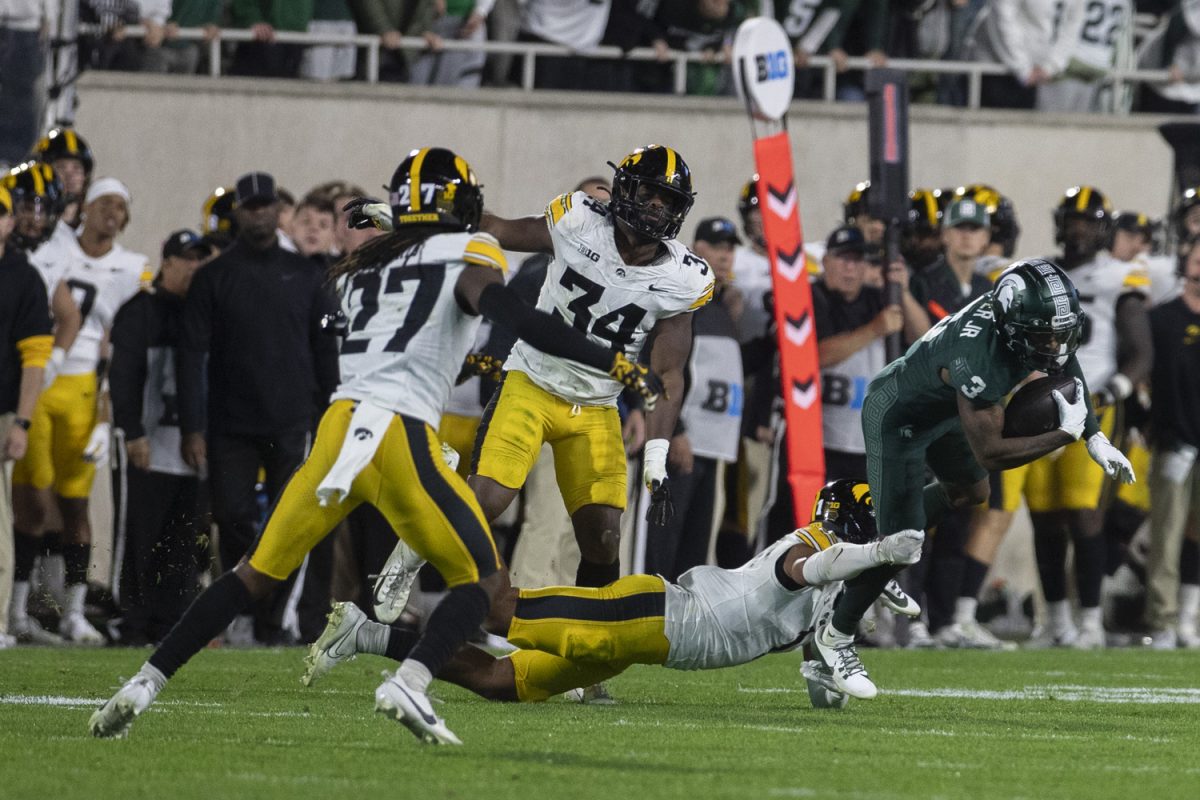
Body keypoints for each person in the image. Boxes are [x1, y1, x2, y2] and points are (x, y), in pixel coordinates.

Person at [89, 146, 664, 744]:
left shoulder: (364, 267)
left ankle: (143, 682)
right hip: (401, 435)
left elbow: (412, 336)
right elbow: (521, 318)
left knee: (250, 574)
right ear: (459, 204)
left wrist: (474, 358)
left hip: (339, 430)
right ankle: (409, 680)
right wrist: (615, 363)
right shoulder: (470, 253)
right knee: (479, 584)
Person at [303, 480, 924, 710]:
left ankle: (364, 633)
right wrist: (879, 557)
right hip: (658, 614)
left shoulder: (840, 577)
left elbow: (821, 662)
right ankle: (429, 530)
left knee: (502, 684)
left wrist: (831, 687)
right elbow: (808, 568)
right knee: (501, 608)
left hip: (651, 644)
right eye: (871, 539)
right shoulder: (815, 545)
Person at [814, 259, 1134, 699]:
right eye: (1045, 336)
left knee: (971, 491)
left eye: (1061, 331)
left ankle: (871, 537)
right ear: (1012, 327)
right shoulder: (977, 354)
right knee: (905, 543)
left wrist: (1096, 437)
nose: (1056, 345)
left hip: (943, 409)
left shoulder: (1024, 322)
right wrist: (1068, 433)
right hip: (900, 416)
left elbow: (1065, 365)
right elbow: (993, 453)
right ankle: (834, 636)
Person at [470, 144, 714, 588]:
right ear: (624, 189)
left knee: (603, 537)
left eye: (669, 201)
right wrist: (415, 219)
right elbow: (498, 228)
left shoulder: (684, 278)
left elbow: (670, 374)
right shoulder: (579, 220)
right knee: (487, 498)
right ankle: (414, 553)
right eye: (649, 194)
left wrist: (657, 455)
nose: (658, 208)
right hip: (534, 382)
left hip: (598, 405)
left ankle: (587, 633)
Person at [177, 171, 340, 645]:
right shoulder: (214, 277)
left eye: (267, 206)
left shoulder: (309, 277)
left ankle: (271, 621)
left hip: (292, 422)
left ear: (277, 210)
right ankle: (241, 613)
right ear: (240, 214)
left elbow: (324, 352)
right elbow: (192, 356)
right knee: (232, 517)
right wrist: (193, 427)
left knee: (288, 523)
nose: (260, 214)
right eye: (251, 207)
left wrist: (332, 414)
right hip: (231, 424)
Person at [11, 178, 151, 645]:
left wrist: (108, 415)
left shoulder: (133, 268)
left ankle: (70, 610)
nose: (112, 213)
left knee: (75, 503)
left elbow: (123, 345)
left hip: (85, 389)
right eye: (103, 204)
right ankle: (20, 608)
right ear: (82, 209)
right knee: (30, 501)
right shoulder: (53, 249)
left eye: (120, 206)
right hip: (39, 384)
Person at [1025, 187, 1152, 649]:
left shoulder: (1120, 276)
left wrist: (1114, 391)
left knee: (1085, 515)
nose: (1079, 230)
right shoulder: (1036, 272)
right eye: (1072, 221)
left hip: (1093, 407)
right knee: (1043, 517)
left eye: (1088, 221)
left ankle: (1091, 621)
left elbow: (1141, 349)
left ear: (1104, 227)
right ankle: (1057, 622)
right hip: (1038, 405)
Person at [108, 230, 215, 645]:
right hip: (148, 444)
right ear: (166, 262)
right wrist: (132, 432)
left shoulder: (202, 312)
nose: (194, 266)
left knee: (183, 539)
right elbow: (123, 376)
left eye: (199, 259)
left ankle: (171, 621)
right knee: (139, 536)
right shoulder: (141, 310)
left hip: (189, 448)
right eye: (186, 258)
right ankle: (132, 620)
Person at [643, 216, 744, 581]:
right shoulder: (684, 296)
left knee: (695, 548)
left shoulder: (722, 308)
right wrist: (676, 429)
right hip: (683, 439)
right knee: (661, 541)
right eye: (717, 246)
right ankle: (649, 614)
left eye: (730, 248)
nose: (724, 255)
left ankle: (682, 626)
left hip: (714, 445)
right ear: (697, 247)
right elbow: (662, 365)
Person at [0, 184, 54, 649]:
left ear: (10, 221)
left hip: (1, 412)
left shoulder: (23, 277)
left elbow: (35, 358)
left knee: (1, 521)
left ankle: (0, 620)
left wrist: (21, 422)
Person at [1145, 240, 1200, 649]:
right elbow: (1151, 380)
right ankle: (1162, 620)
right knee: (1167, 536)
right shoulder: (1162, 318)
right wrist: (1162, 430)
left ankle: (1187, 618)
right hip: (1175, 443)